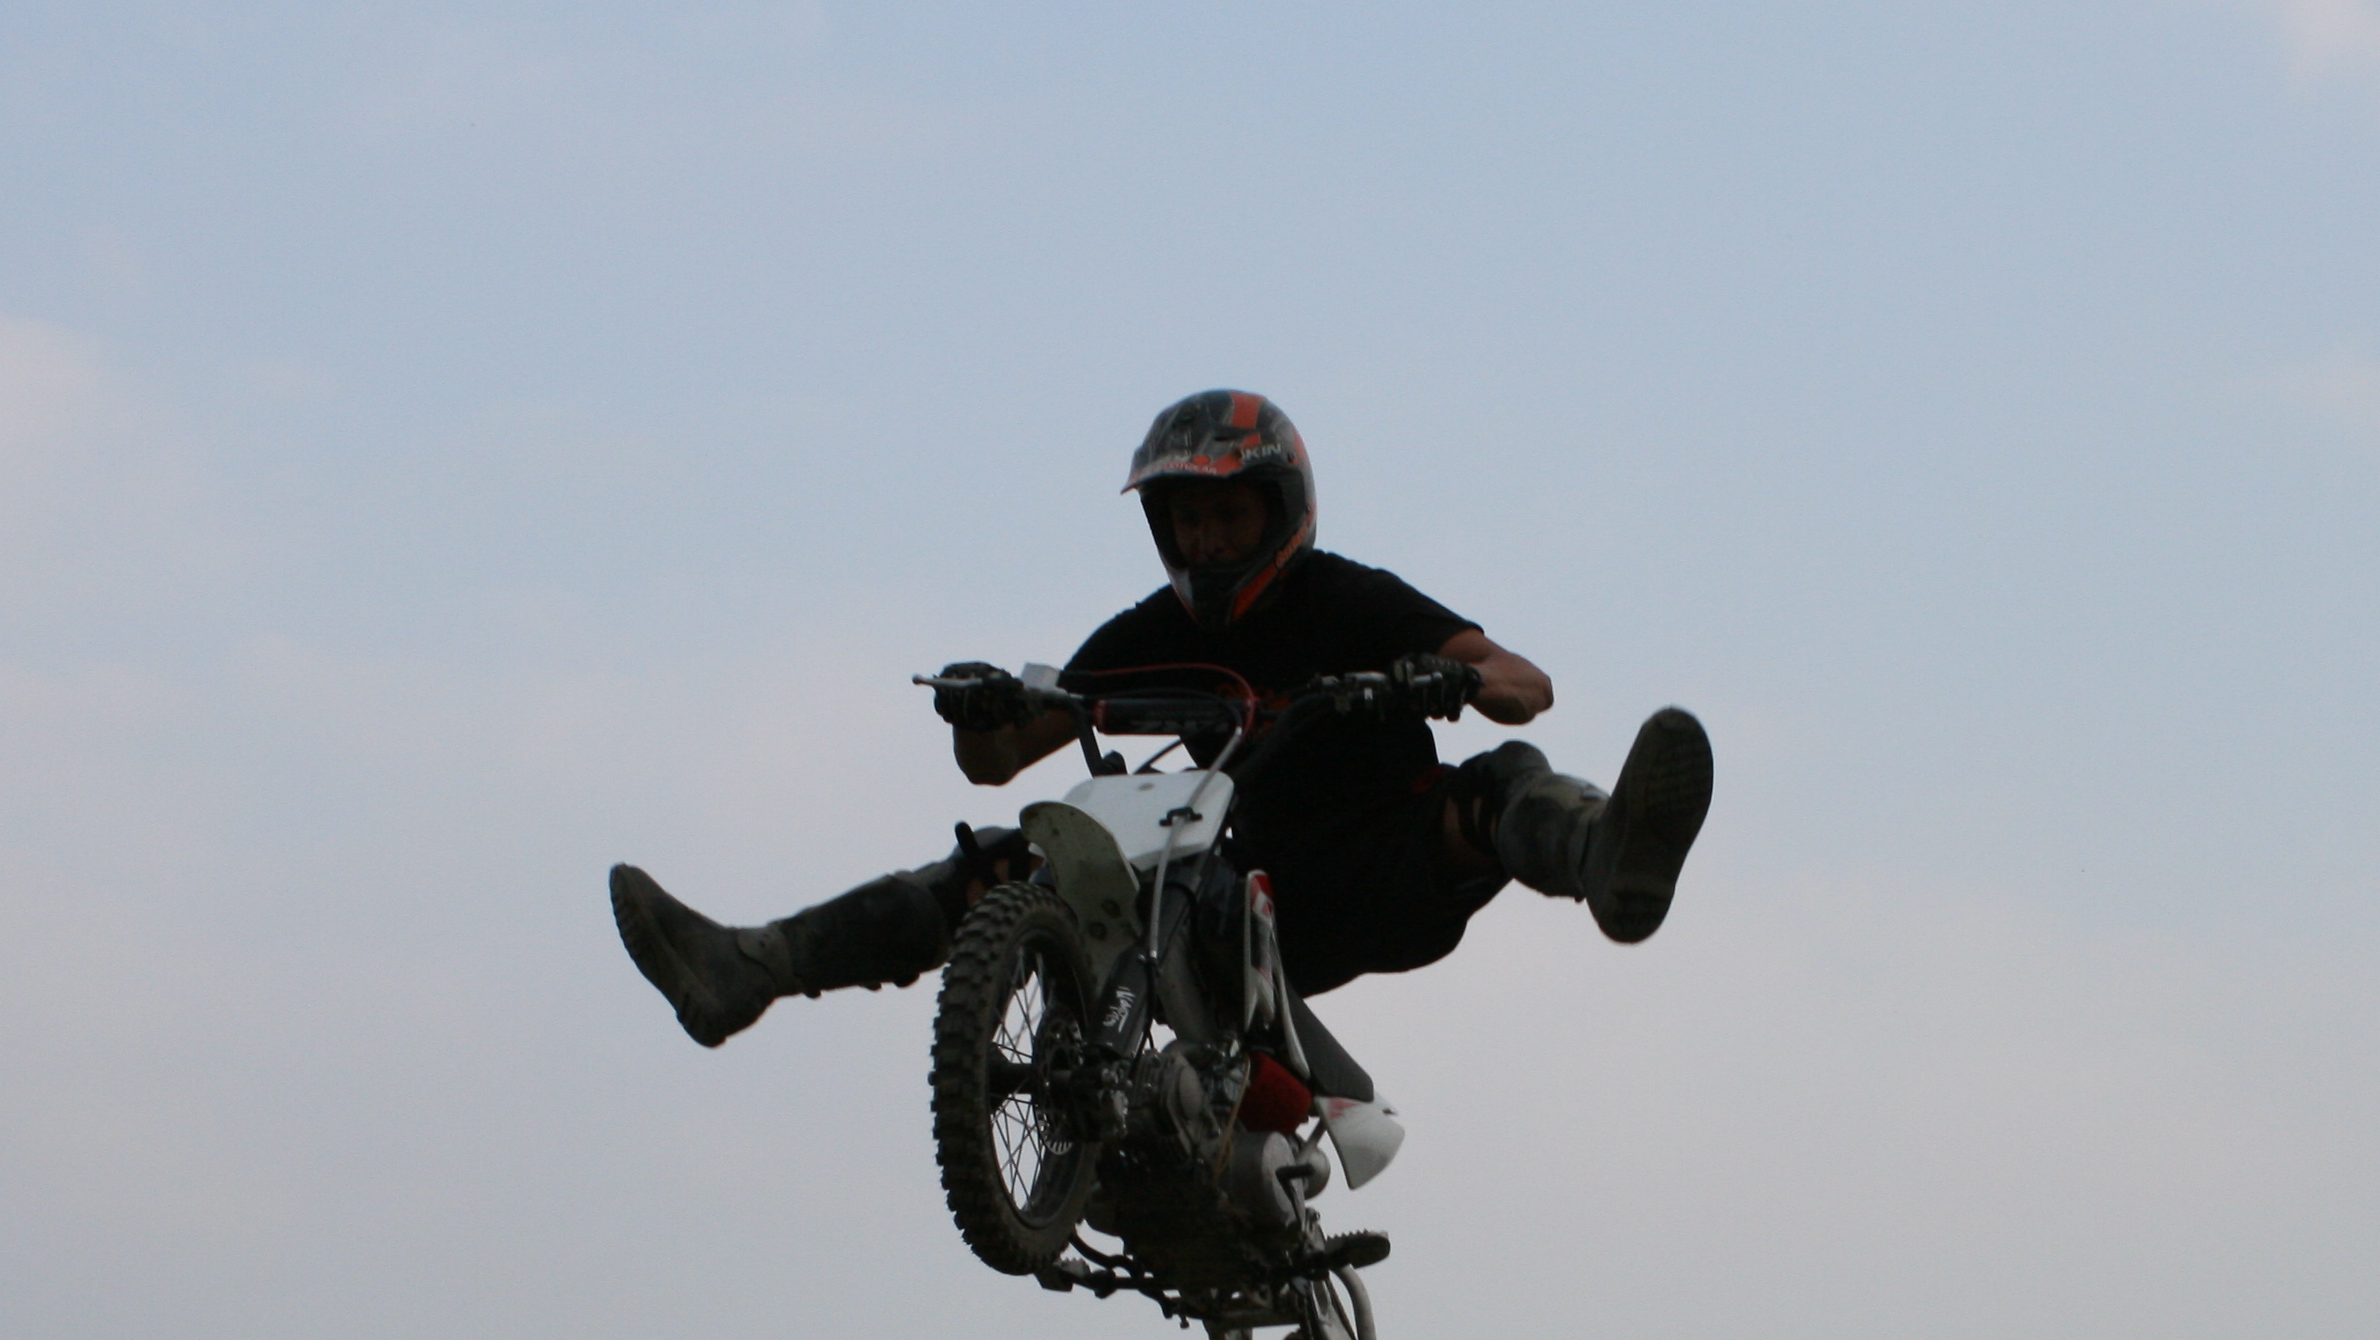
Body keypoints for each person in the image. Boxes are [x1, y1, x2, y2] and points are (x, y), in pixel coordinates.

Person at [608, 389, 1711, 1047]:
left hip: (1382, 865)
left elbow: (1525, 682)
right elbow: (1000, 759)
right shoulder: (1153, 627)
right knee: (1009, 863)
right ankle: (753, 965)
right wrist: (980, 710)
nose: (1209, 541)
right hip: (1240, 902)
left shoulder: (1348, 599)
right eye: (1188, 520)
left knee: (1499, 778)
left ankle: (1604, 854)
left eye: (1229, 514)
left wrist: (1446, 681)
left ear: (1278, 512)